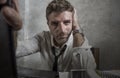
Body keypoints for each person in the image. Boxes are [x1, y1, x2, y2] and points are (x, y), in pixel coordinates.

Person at [2, 0, 96, 72]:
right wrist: (11, 30)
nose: (62, 30)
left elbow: (87, 72)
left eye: (67, 22)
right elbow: (14, 51)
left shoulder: (79, 40)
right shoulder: (42, 38)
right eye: (55, 23)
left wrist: (76, 28)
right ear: (48, 24)